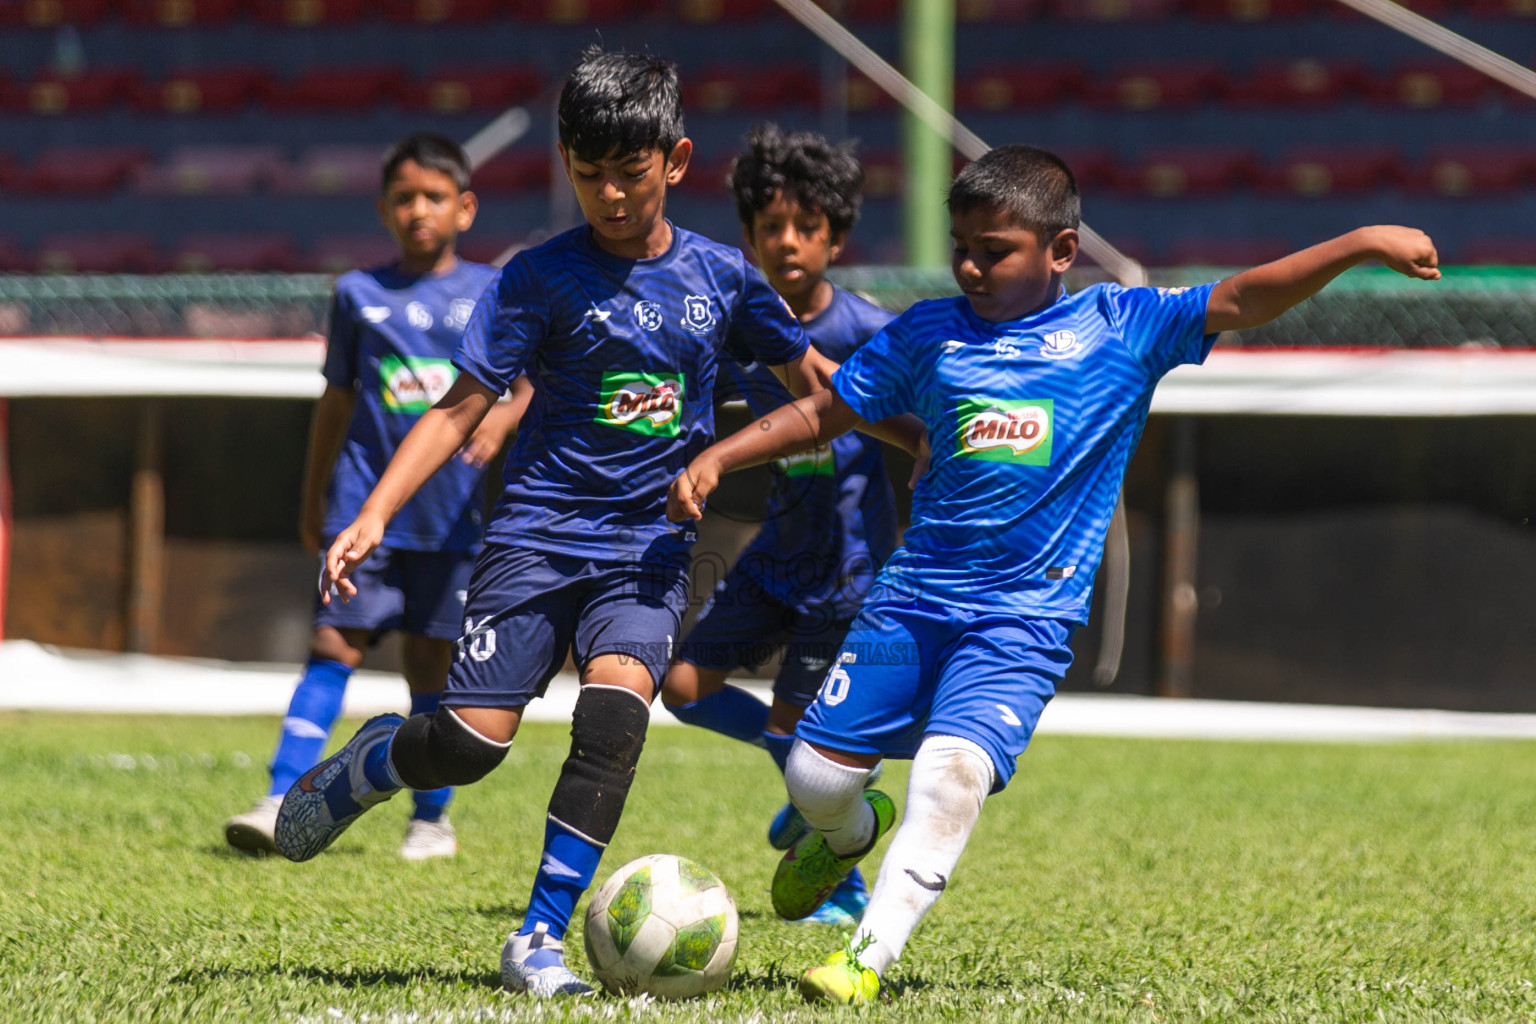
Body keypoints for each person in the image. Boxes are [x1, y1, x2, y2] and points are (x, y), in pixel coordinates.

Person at [666, 144, 1440, 1005]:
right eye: (961, 245)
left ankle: (865, 958)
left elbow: (1241, 296)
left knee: (950, 771)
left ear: (1061, 252)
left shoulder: (1121, 328)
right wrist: (718, 457)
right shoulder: (929, 333)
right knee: (816, 780)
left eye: (993, 250)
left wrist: (1361, 240)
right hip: (909, 605)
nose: (969, 264)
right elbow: (823, 409)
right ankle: (848, 834)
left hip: (1023, 622)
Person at [272, 49, 917, 999]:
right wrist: (370, 515)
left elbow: (815, 386)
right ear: (566, 163)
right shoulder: (537, 278)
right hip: (534, 538)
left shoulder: (722, 278)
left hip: (648, 553)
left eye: (631, 172)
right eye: (589, 173)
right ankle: (378, 759)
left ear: (677, 159)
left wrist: (920, 438)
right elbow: (456, 409)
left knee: (615, 718)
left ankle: (537, 936)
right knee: (472, 744)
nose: (610, 194)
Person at [223, 132, 525, 860]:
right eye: (403, 198)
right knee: (332, 643)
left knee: (432, 666)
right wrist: (314, 493)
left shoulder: (493, 291)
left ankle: (431, 817)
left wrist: (503, 418)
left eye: (434, 197)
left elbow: (528, 377)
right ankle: (280, 796)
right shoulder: (357, 295)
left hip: (453, 520)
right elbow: (334, 402)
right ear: (384, 210)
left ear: (465, 207)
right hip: (366, 512)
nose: (418, 210)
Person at [660, 124, 899, 927]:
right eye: (771, 228)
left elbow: (918, 423)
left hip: (846, 572)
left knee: (806, 746)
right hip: (774, 557)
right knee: (683, 687)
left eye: (806, 228)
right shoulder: (739, 331)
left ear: (836, 238)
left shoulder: (866, 331)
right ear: (749, 238)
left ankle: (847, 881)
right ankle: (805, 801)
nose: (787, 242)